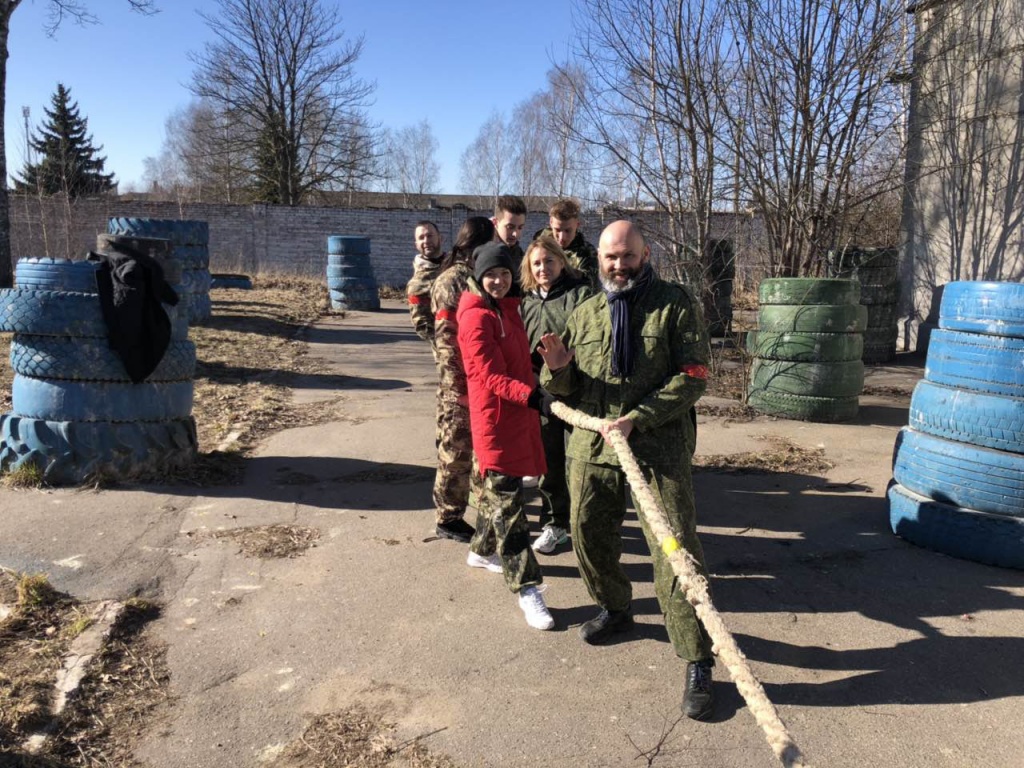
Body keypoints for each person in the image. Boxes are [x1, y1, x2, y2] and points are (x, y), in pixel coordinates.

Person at [537, 219, 716, 720]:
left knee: (675, 552)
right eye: (610, 257)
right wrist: (557, 368)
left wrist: (640, 418)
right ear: (599, 260)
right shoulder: (587, 311)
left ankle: (698, 657)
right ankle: (616, 608)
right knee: (587, 535)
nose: (618, 265)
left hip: (657, 449)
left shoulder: (675, 304)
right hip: (591, 450)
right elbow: (566, 390)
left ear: (646, 253)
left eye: (627, 256)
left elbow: (695, 374)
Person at [457, 241, 554, 630]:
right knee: (511, 512)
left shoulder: (506, 310)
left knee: (499, 495)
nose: (498, 280)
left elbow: (516, 363)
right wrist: (532, 397)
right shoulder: (475, 318)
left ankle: (481, 551)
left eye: (504, 273)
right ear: (479, 277)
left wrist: (537, 380)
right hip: (495, 422)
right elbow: (488, 377)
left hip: (515, 418)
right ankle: (528, 588)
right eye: (490, 274)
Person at [518, 234, 593, 554]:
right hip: (544, 397)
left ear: (562, 261)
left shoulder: (582, 295)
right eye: (536, 263)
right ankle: (554, 524)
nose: (543, 268)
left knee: (582, 463)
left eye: (549, 260)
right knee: (549, 463)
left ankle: (590, 524)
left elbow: (591, 339)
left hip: (579, 393)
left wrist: (568, 362)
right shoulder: (525, 301)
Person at [428, 217, 496, 543]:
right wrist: (459, 389)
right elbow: (445, 343)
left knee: (477, 453)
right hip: (459, 388)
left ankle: (475, 513)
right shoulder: (450, 282)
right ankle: (448, 518)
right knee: (455, 454)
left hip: (478, 383)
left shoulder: (475, 276)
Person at [533, 198, 599, 287]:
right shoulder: (537, 246)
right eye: (557, 230)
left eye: (568, 231)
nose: (562, 237)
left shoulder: (586, 252)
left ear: (577, 225)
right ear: (551, 223)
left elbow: (590, 284)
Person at [406, 220, 445, 355]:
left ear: (440, 238)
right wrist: (447, 343)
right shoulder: (417, 284)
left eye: (430, 236)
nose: (426, 241)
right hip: (448, 352)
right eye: (421, 238)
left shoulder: (456, 266)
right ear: (416, 244)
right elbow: (423, 326)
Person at [491, 195, 528, 274]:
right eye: (510, 227)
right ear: (495, 222)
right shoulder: (480, 254)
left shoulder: (521, 257)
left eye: (520, 228)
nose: (515, 234)